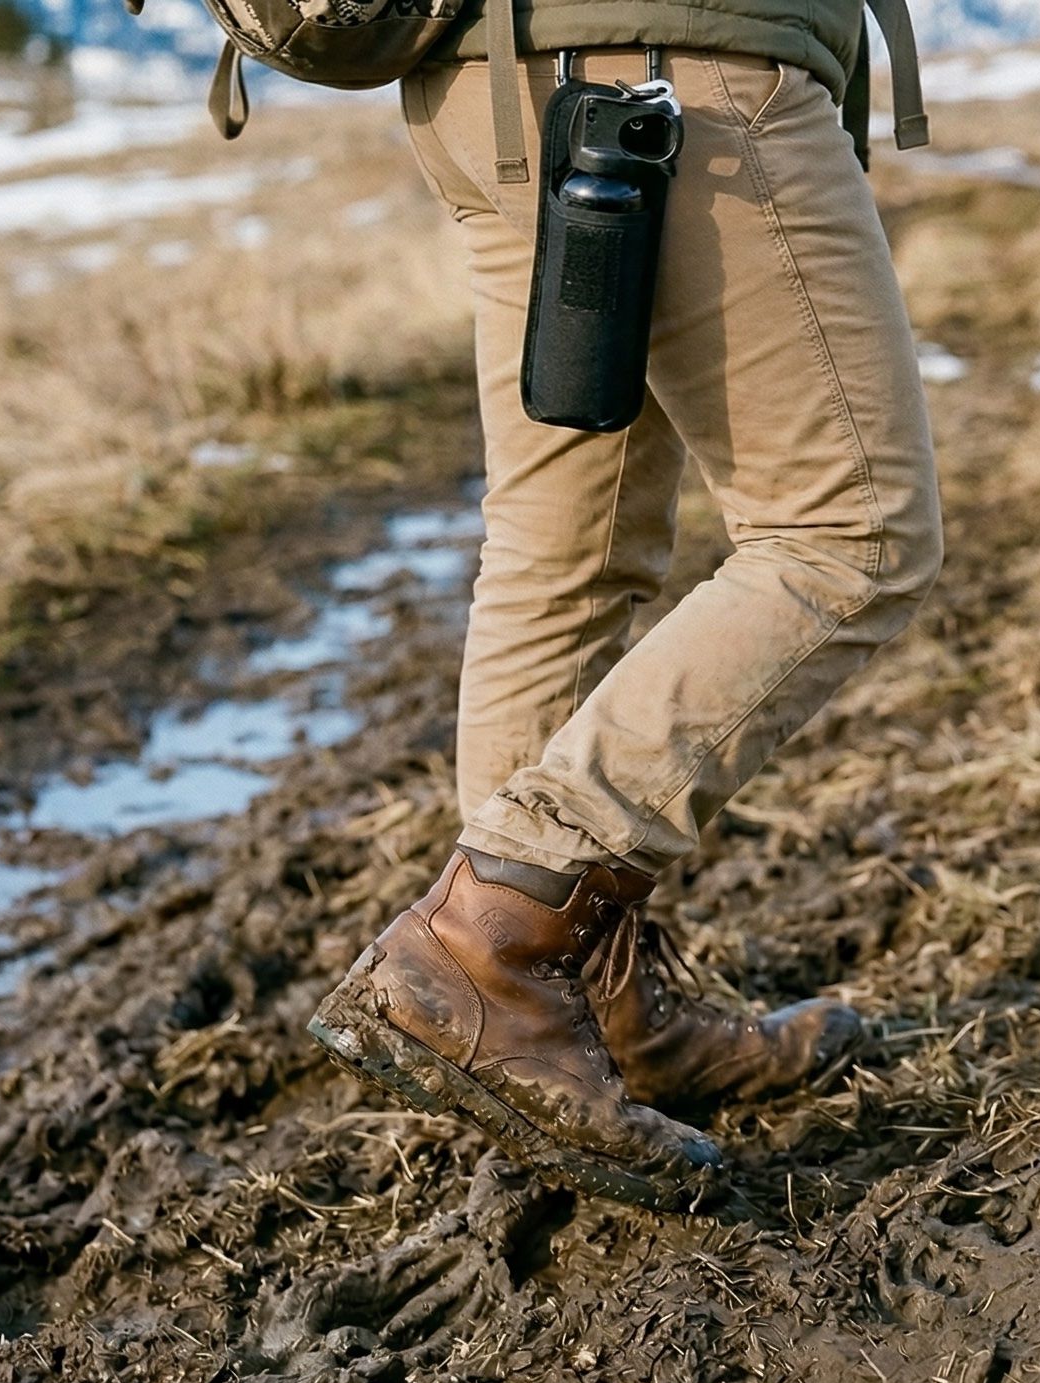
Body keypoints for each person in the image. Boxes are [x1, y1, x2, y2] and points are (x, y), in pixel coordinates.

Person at [308, 0, 944, 1211]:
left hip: (498, 76)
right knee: (848, 532)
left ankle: (597, 1017)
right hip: (679, 62)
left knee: (565, 548)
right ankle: (497, 935)